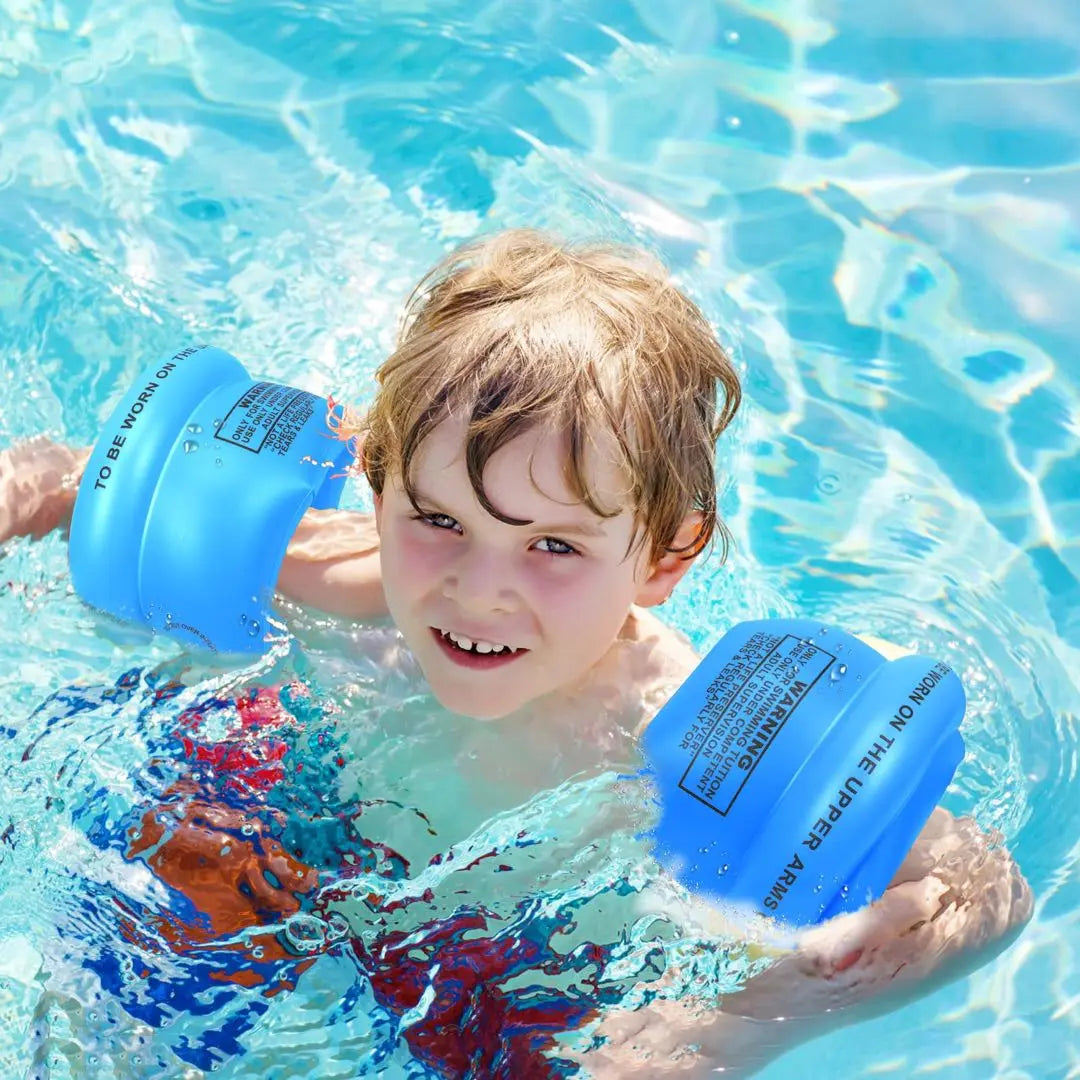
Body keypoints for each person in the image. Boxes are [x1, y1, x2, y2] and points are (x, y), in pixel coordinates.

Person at [0, 229, 1032, 1076]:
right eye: (439, 519)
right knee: (101, 1001)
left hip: (507, 949)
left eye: (553, 546)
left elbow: (986, 891)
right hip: (288, 805)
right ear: (377, 478)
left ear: (667, 556)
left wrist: (753, 1015)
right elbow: (80, 476)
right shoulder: (340, 567)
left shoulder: (676, 724)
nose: (479, 588)